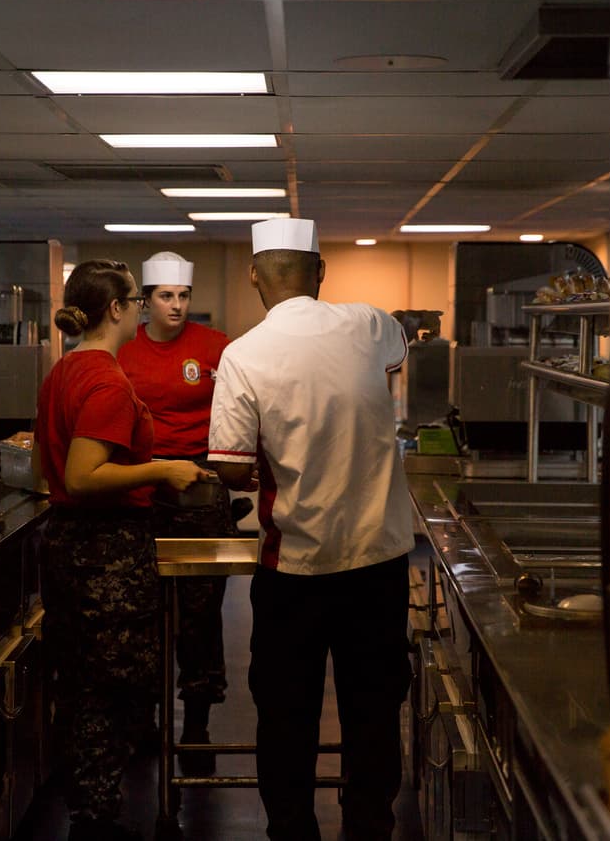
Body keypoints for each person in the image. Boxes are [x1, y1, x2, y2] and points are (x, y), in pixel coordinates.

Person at [207, 219, 416, 841]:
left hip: (293, 568)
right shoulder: (374, 323)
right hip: (379, 562)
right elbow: (395, 360)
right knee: (374, 714)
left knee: (286, 715)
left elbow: (229, 466)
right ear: (321, 271)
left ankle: (293, 831)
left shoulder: (243, 353)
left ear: (253, 274)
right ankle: (369, 829)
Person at [34, 258, 208, 841]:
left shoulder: (63, 371)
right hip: (105, 550)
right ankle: (97, 815)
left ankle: (88, 804)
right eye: (137, 302)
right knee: (116, 686)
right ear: (117, 309)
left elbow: (45, 469)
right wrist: (163, 469)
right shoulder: (107, 381)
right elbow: (84, 476)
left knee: (81, 680)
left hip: (65, 542)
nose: (142, 311)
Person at [116, 250, 237, 775]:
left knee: (200, 613)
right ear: (145, 302)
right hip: (140, 488)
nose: (177, 305)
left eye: (184, 296)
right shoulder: (124, 351)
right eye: (166, 296)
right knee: (140, 610)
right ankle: (143, 717)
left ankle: (198, 719)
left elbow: (240, 407)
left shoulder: (216, 347)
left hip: (201, 489)